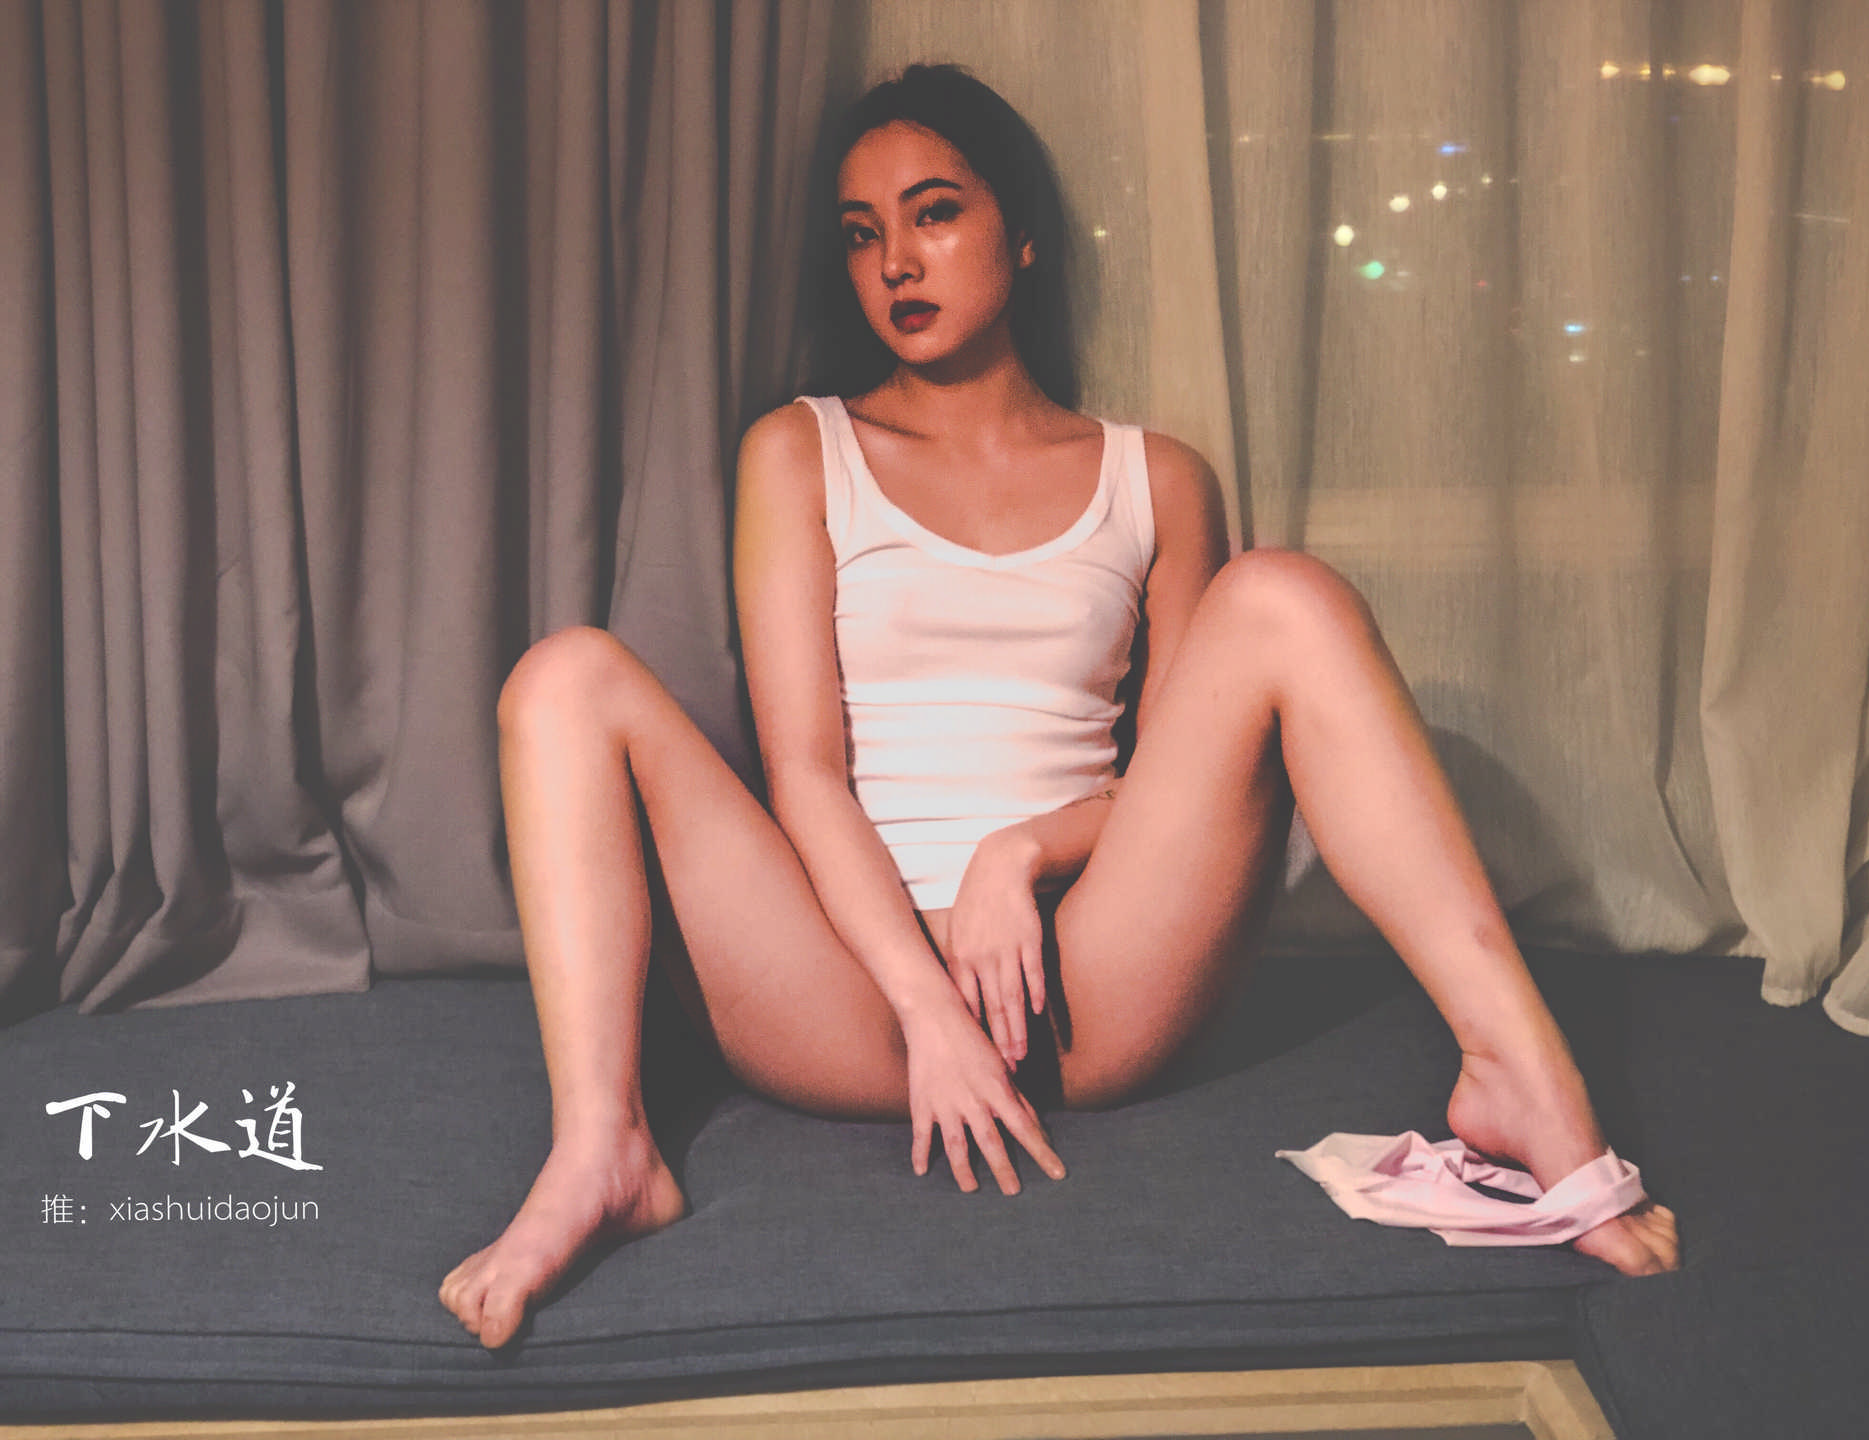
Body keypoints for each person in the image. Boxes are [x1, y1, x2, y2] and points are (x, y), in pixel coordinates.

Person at [440, 63, 1679, 1351]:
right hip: (845, 993)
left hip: (1082, 982)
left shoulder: (1158, 479)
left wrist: (1019, 851)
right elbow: (803, 772)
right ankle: (604, 1148)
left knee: (1284, 597)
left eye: (935, 213)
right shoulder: (799, 451)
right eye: (862, 234)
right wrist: (926, 1008)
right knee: (563, 677)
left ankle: (1518, 1075)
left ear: (1021, 236)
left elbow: (1177, 775)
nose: (895, 262)